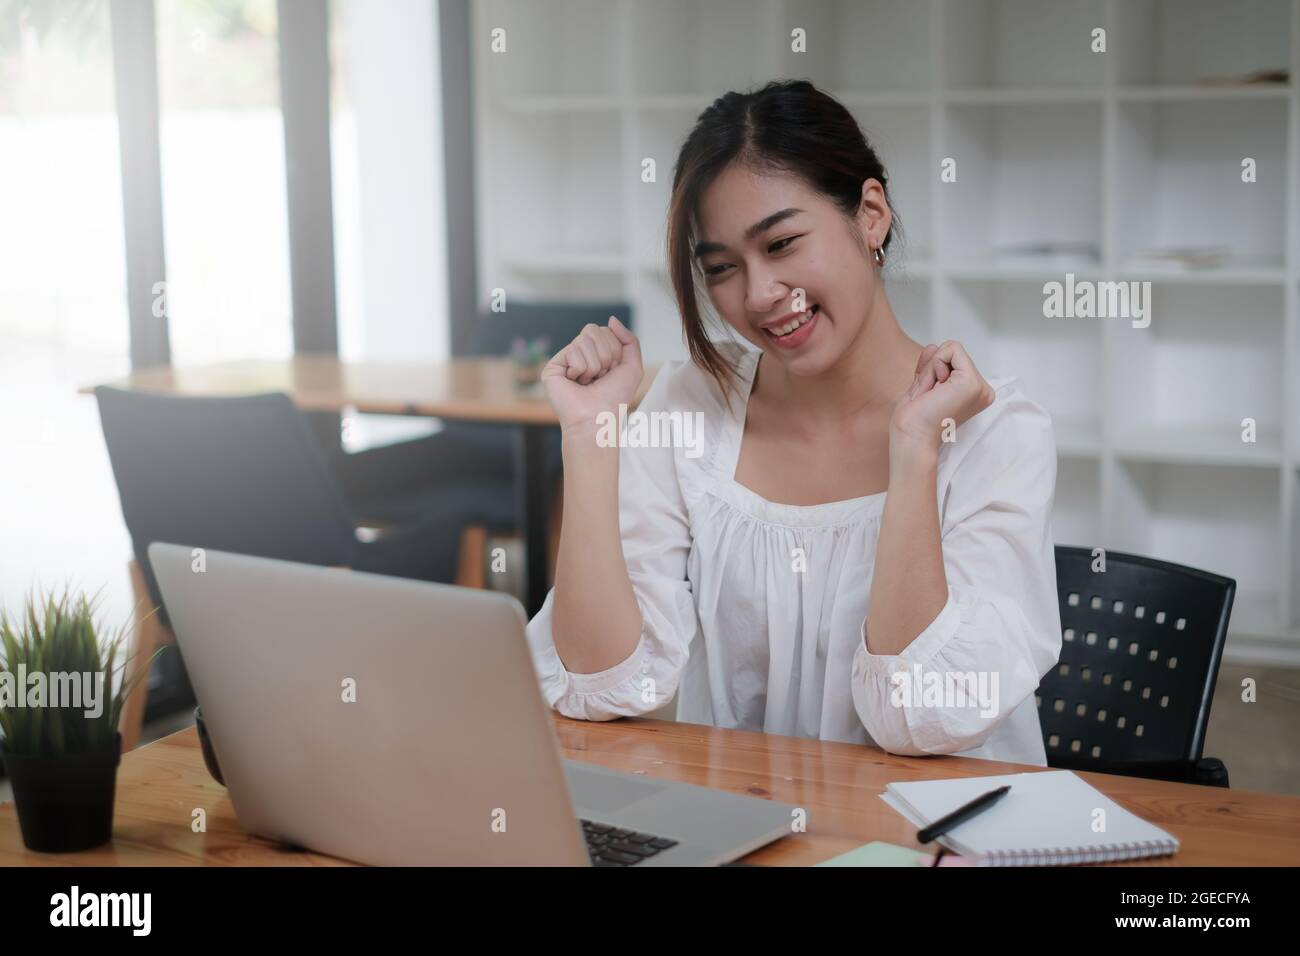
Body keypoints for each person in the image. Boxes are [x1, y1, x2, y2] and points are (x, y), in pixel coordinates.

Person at [525, 80, 1061, 764]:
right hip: (747, 826)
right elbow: (599, 686)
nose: (757, 296)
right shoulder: (694, 405)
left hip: (943, 835)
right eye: (721, 268)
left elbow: (917, 715)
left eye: (780, 244)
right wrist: (591, 436)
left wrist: (914, 449)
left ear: (871, 215)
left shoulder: (995, 431)